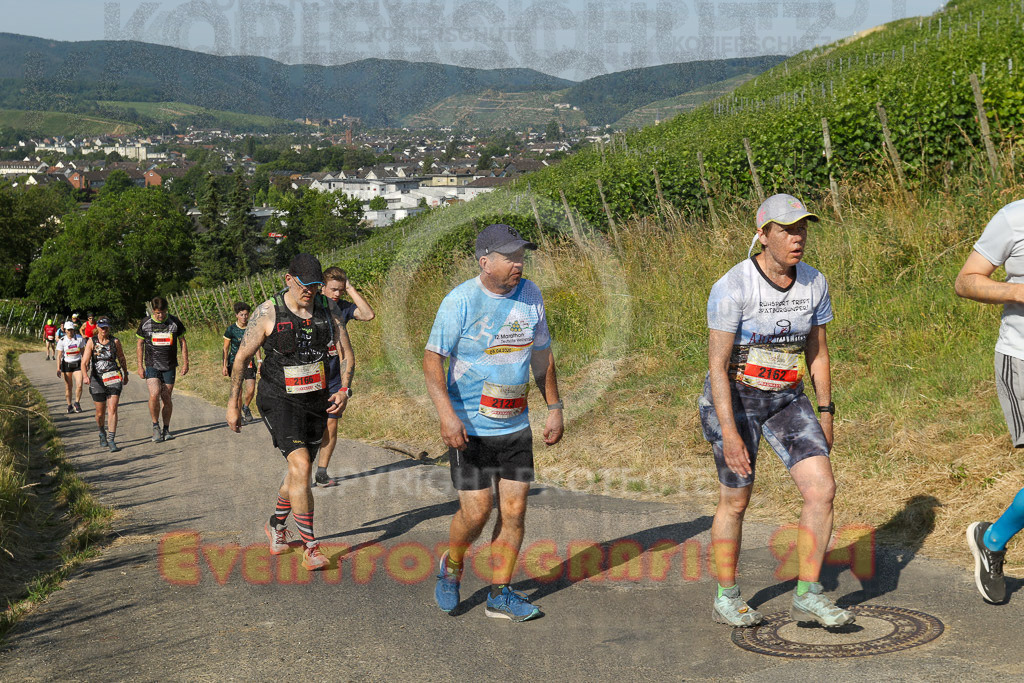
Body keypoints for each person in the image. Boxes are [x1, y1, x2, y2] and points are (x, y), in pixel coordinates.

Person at [700, 194, 852, 628]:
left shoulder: (814, 282)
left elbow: (817, 349)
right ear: (763, 234)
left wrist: (826, 411)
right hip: (736, 399)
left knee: (822, 489)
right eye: (787, 230)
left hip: (787, 399)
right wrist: (730, 433)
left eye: (803, 228)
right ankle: (727, 596)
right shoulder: (733, 286)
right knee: (736, 500)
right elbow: (716, 365)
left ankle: (808, 594)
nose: (797, 238)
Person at [425, 223, 564, 622]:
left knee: (515, 510)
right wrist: (447, 415)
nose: (519, 264)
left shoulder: (531, 294)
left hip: (514, 425)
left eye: (521, 256)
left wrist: (554, 407)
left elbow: (542, 354)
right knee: (476, 513)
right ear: (485, 261)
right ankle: (452, 566)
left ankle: (500, 593)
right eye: (510, 257)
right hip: (470, 428)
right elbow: (433, 359)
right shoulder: (460, 301)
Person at [226, 254, 353, 572]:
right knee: (301, 464)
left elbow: (348, 355)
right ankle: (311, 547)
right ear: (288, 279)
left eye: (315, 286)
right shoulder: (268, 312)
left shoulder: (328, 309)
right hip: (277, 399)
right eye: (304, 285)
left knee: (300, 473)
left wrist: (344, 389)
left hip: (316, 400)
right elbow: (241, 359)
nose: (309, 291)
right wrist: (233, 403)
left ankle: (276, 526)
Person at [955, 199, 1024, 604]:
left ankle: (992, 538)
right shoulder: (1013, 218)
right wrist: (1017, 290)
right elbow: (966, 281)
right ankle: (993, 540)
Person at [314, 267, 374, 486]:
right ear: (322, 286)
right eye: (333, 289)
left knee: (331, 424)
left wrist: (350, 287)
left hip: (334, 377)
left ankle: (321, 471)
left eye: (341, 290)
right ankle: (301, 468)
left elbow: (368, 314)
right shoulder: (312, 306)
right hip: (312, 376)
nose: (337, 294)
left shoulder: (343, 308)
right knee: (310, 426)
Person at [136, 296, 189, 443]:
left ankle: (166, 428)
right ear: (153, 311)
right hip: (152, 364)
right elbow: (140, 344)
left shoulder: (174, 322)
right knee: (154, 394)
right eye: (158, 312)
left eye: (163, 312)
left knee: (166, 397)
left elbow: (183, 342)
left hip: (169, 365)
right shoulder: (145, 323)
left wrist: (186, 363)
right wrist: (140, 366)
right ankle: (155, 426)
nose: (161, 315)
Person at [81, 317, 129, 452]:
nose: (104, 330)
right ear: (98, 328)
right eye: (102, 327)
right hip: (97, 379)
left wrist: (125, 373)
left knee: (112, 408)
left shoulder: (115, 341)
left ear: (109, 328)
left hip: (113, 377)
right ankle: (102, 431)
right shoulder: (91, 341)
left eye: (106, 327)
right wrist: (85, 375)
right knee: (100, 413)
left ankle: (112, 439)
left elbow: (121, 358)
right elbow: (84, 361)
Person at [223, 301, 261, 425]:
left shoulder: (252, 327)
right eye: (241, 315)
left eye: (246, 315)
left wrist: (259, 361)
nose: (244, 317)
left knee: (251, 390)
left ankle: (246, 407)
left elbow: (256, 346)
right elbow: (225, 348)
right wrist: (224, 365)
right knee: (238, 392)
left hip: (249, 363)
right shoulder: (231, 329)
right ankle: (239, 415)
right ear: (236, 315)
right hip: (235, 363)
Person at [56, 321, 85, 413]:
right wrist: (58, 368)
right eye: (68, 330)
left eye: (72, 330)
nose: (70, 332)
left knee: (79, 385)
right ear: (65, 330)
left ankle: (77, 403)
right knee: (69, 386)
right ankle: (69, 405)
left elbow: (83, 352)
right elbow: (59, 356)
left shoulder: (79, 339)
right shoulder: (62, 341)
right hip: (66, 365)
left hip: (77, 364)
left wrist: (86, 364)